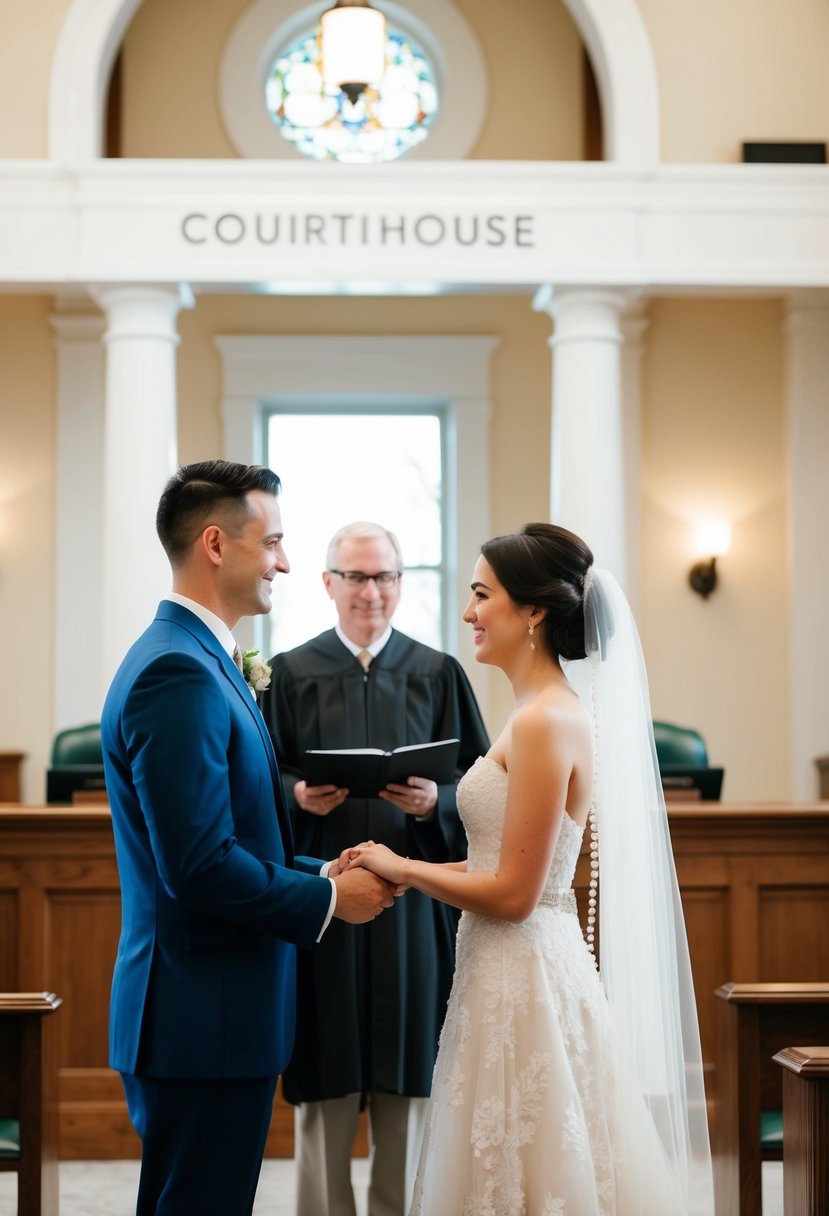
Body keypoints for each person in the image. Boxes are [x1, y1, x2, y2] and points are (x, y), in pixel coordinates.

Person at [343, 522, 716, 1215]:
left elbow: (515, 895)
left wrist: (407, 866)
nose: (467, 613)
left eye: (482, 595)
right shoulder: (528, 714)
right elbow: (497, 861)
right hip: (497, 966)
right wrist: (391, 867)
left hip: (527, 970)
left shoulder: (547, 720)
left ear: (534, 611)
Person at [101, 462, 395, 1216]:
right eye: (273, 543)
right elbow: (197, 866)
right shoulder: (178, 672)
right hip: (201, 1014)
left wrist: (315, 866)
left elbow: (228, 835)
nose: (286, 564)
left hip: (212, 1011)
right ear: (215, 545)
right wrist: (327, 898)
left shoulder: (199, 658)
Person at [259, 521, 490, 1216]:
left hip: (412, 903)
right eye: (355, 576)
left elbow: (480, 787)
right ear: (327, 582)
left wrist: (433, 803)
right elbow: (255, 781)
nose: (370, 591)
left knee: (407, 1073)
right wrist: (296, 796)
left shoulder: (437, 671)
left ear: (400, 583)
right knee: (325, 1066)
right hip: (322, 897)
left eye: (384, 576)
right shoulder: (291, 674)